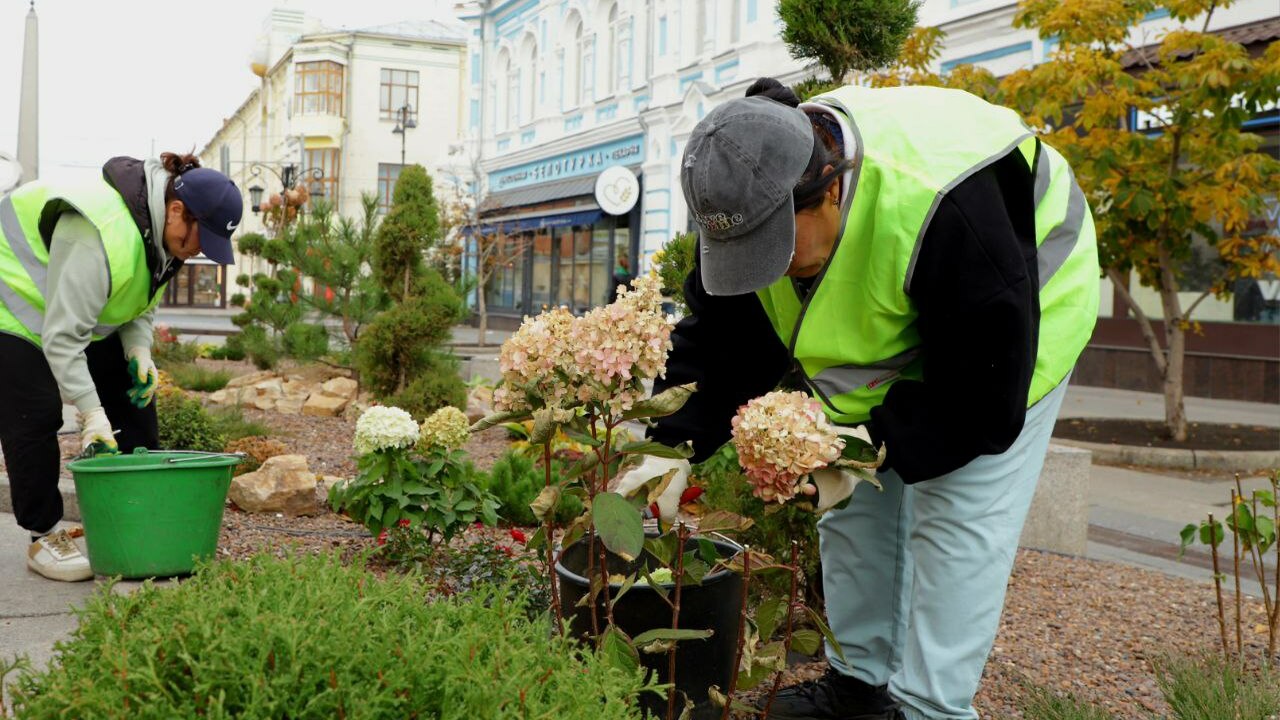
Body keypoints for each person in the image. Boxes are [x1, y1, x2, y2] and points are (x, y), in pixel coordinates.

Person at [618, 78, 1100, 719]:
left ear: (831, 188)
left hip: (1013, 322)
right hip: (904, 314)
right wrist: (669, 446)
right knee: (848, 510)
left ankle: (932, 708)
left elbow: (978, 400)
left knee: (955, 518)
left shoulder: (942, 200)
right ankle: (858, 688)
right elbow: (723, 337)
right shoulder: (748, 196)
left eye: (779, 253)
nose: (766, 270)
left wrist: (878, 449)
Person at [0, 152, 243, 582]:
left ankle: (134, 516)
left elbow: (137, 299)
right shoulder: (100, 233)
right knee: (34, 411)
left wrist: (139, 351)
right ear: (175, 210)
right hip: (10, 302)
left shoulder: (161, 234)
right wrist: (91, 414)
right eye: (197, 238)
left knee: (132, 400)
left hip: (61, 311)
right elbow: (62, 337)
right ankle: (44, 535)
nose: (198, 250)